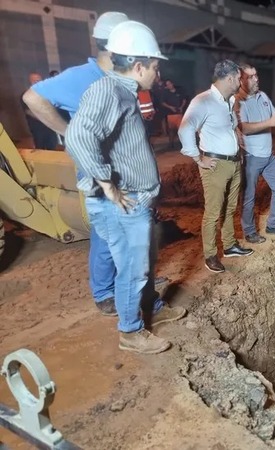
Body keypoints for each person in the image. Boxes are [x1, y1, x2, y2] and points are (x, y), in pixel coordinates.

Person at [22, 11, 168, 315]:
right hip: (106, 178)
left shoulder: (125, 83)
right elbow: (32, 98)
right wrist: (67, 132)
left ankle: (136, 288)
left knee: (133, 244)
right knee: (107, 240)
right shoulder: (87, 80)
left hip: (128, 177)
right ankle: (105, 293)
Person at [65, 21, 185, 354]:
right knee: (133, 267)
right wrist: (107, 182)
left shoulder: (124, 93)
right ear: (138, 66)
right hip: (122, 204)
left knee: (142, 261)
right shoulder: (109, 91)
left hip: (136, 201)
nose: (157, 74)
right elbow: (78, 136)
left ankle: (151, 309)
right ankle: (131, 332)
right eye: (154, 67)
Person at [179, 60, 253, 274]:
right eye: (239, 78)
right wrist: (197, 158)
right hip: (215, 165)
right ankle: (210, 255)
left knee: (230, 208)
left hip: (233, 163)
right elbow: (185, 129)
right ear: (229, 78)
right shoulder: (203, 101)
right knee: (212, 213)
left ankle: (229, 246)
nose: (241, 82)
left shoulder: (227, 101)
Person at [235, 63, 275, 244]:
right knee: (249, 196)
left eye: (256, 75)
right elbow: (244, 128)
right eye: (251, 77)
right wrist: (272, 121)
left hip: (268, 156)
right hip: (250, 157)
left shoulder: (263, 97)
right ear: (241, 80)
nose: (256, 79)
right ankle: (250, 231)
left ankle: (273, 225)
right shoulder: (238, 102)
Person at [21, 72, 58, 150]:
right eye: (36, 81)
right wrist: (45, 117)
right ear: (30, 81)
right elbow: (29, 112)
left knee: (52, 145)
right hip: (38, 127)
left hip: (50, 126)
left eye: (40, 80)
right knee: (40, 147)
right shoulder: (25, 95)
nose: (39, 83)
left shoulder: (46, 94)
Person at [161, 79, 186, 148]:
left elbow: (184, 100)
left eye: (169, 84)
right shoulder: (165, 93)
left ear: (172, 84)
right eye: (167, 85)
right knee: (171, 130)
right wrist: (170, 107)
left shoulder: (179, 91)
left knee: (181, 130)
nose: (169, 85)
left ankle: (183, 144)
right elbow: (163, 102)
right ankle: (171, 144)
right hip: (170, 114)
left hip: (179, 113)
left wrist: (181, 107)